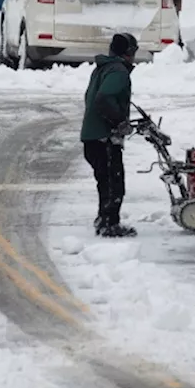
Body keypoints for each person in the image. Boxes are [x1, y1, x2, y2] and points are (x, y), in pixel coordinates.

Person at [80, 33, 139, 237]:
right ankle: (109, 224)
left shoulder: (102, 68)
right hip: (103, 138)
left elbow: (92, 97)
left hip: (92, 137)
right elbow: (103, 98)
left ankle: (103, 218)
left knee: (105, 181)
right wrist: (119, 121)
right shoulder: (118, 71)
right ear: (129, 52)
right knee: (114, 184)